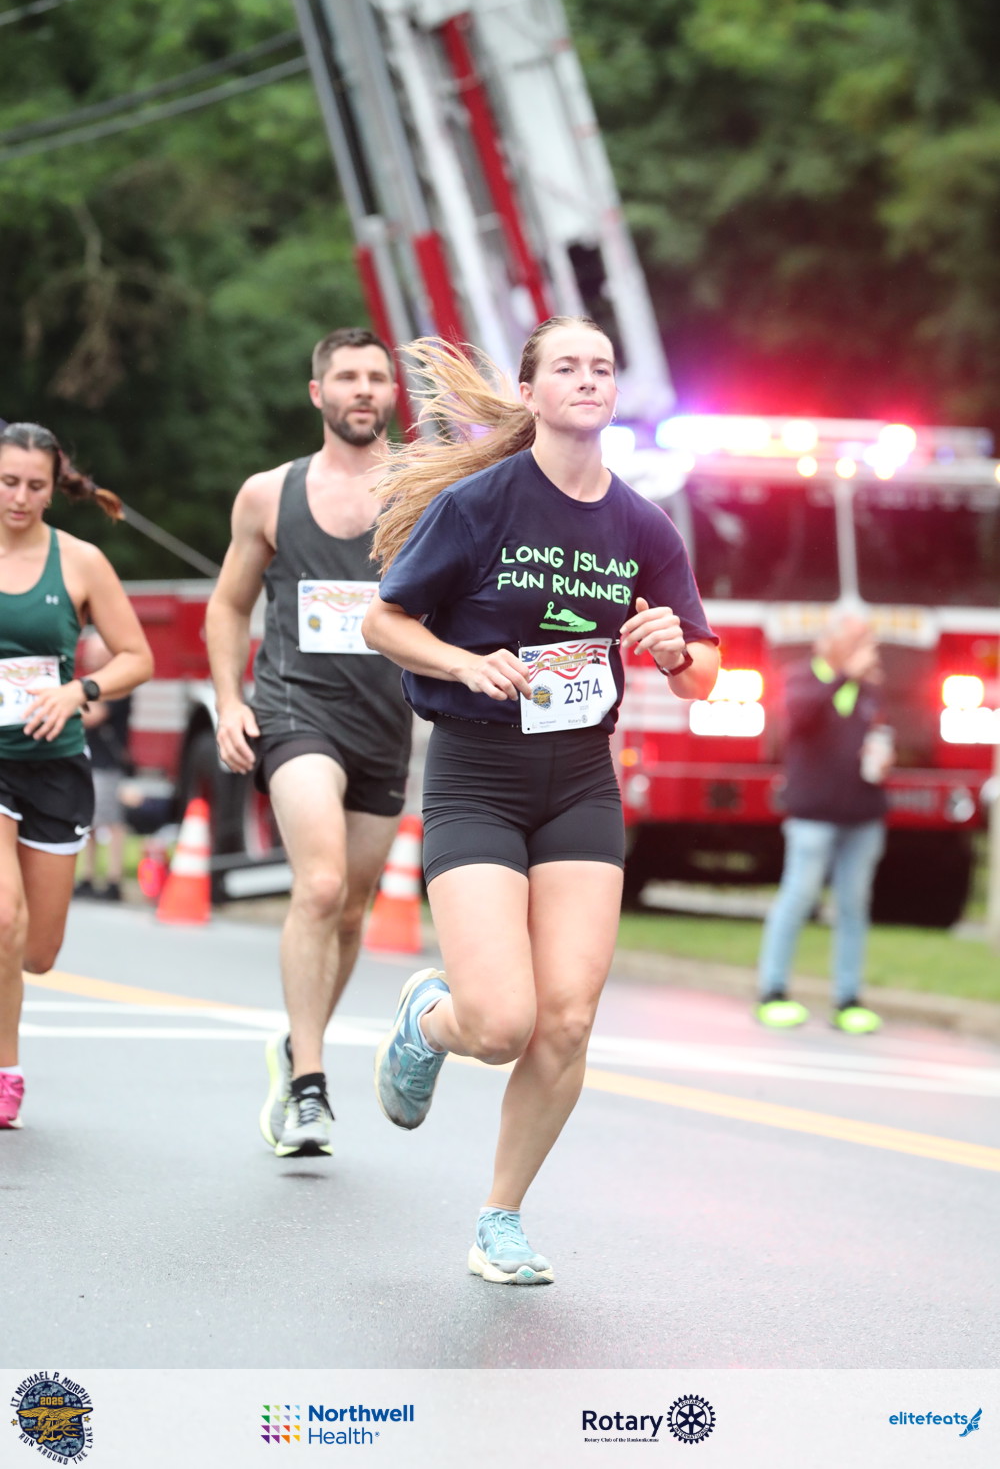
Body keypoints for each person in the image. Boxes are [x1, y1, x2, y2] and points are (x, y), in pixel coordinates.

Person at [362, 318, 719, 1284]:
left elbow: (702, 675)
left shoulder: (643, 527)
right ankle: (430, 1020)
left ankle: (501, 1219)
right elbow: (384, 621)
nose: (589, 379)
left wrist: (675, 651)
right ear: (530, 393)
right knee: (499, 1023)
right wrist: (462, 663)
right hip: (477, 773)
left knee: (565, 1019)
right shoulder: (480, 506)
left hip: (580, 781)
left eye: (602, 367)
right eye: (567, 366)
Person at [206, 327, 412, 1159]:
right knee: (320, 884)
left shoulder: (426, 492)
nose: (363, 390)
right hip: (296, 712)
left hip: (385, 721)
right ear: (317, 393)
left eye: (377, 377)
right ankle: (311, 1088)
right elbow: (228, 605)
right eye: (348, 377)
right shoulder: (269, 494)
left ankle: (300, 1047)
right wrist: (229, 702)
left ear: (392, 394)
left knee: (352, 907)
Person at [0, 423, 153, 1130]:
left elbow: (136, 657)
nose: (19, 497)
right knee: (3, 918)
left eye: (34, 485)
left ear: (53, 487)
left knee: (36, 952)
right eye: (7, 482)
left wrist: (78, 692)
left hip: (55, 765)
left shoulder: (81, 561)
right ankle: (7, 1069)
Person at [755, 615, 890, 1035]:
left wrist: (885, 757)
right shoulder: (800, 678)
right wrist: (843, 676)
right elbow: (801, 716)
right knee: (798, 898)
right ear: (827, 643)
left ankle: (848, 1000)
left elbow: (882, 734)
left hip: (863, 816)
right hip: (813, 815)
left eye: (868, 641)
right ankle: (773, 992)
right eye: (856, 640)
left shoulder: (870, 688)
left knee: (853, 907)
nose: (866, 649)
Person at [74, 634, 133, 903]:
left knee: (111, 821)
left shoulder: (117, 684)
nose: (91, 657)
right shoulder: (88, 683)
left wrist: (68, 706)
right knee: (88, 822)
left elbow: (94, 716)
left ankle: (113, 880)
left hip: (107, 763)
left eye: (97, 652)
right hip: (88, 758)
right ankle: (86, 877)